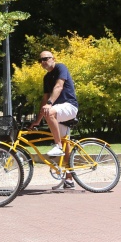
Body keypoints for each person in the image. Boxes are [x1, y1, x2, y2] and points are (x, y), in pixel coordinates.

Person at [28, 50, 79, 190]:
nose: (43, 62)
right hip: (58, 111)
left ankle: (57, 146)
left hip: (69, 106)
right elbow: (45, 99)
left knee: (50, 113)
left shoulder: (61, 67)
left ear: (53, 58)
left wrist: (50, 104)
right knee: (65, 143)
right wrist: (38, 120)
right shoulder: (46, 78)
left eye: (46, 58)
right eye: (41, 60)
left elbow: (59, 86)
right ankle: (69, 179)